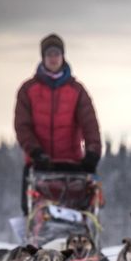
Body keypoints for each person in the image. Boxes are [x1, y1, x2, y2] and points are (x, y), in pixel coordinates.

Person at [14, 33, 102, 215]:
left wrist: (93, 151)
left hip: (72, 165)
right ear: (43, 58)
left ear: (63, 56)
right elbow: (22, 126)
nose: (53, 58)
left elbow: (90, 123)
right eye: (49, 54)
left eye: (56, 54)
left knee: (80, 212)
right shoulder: (28, 90)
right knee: (31, 213)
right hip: (38, 164)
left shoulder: (77, 91)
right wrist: (35, 152)